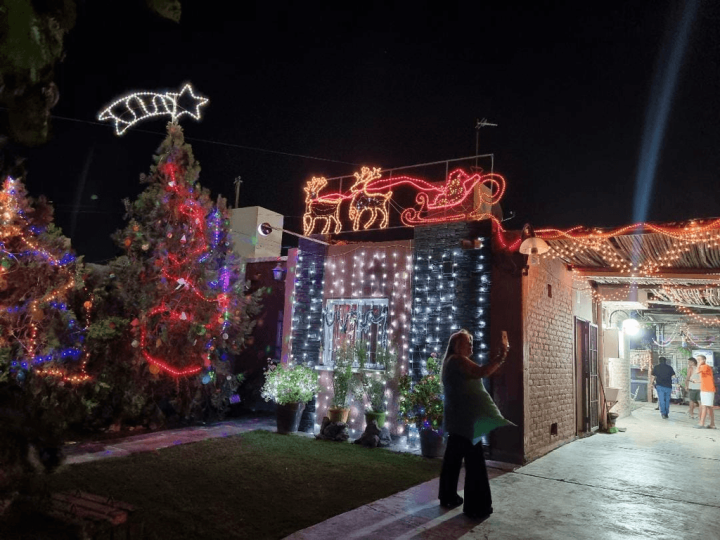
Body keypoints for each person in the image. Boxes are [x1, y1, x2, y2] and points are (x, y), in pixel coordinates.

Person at [438, 329, 513, 519]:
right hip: (466, 421)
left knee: (453, 459)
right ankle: (476, 507)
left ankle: (448, 496)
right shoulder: (457, 360)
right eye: (467, 342)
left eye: (471, 341)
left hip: (458, 420)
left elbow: (480, 372)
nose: (471, 344)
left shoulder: (452, 362)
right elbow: (482, 372)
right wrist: (502, 355)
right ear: (457, 346)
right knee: (475, 463)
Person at [693, 355, 716, 429]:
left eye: (699, 359)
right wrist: (698, 381)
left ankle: (701, 423)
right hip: (706, 389)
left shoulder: (704, 366)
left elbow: (696, 371)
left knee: (704, 406)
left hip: (707, 389)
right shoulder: (705, 367)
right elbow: (706, 378)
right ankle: (712, 424)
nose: (698, 361)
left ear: (704, 360)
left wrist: (699, 364)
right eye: (697, 360)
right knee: (709, 407)